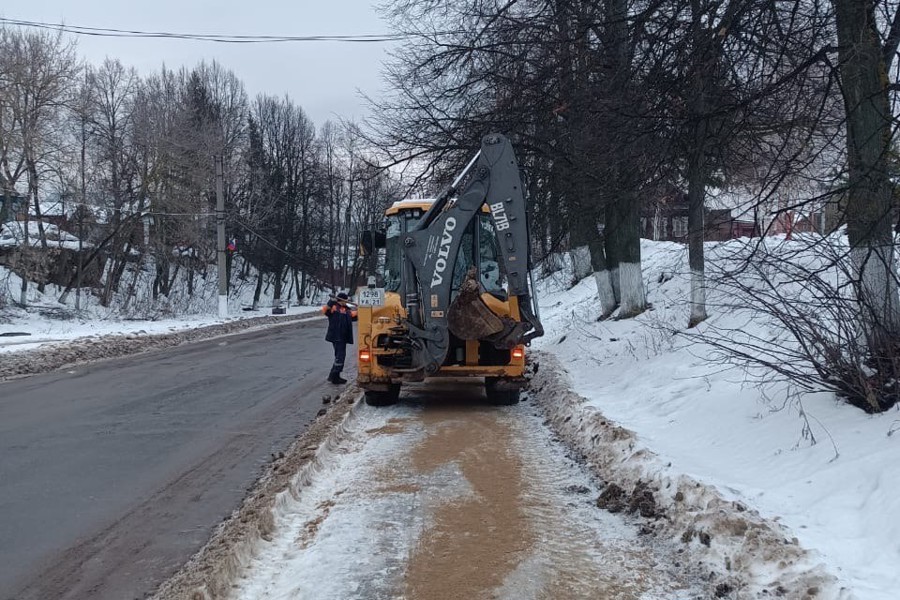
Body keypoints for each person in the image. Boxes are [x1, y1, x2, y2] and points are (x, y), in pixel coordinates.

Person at [322, 292, 357, 384]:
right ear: (340, 300)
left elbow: (355, 316)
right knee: (340, 357)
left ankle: (333, 376)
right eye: (345, 300)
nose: (347, 302)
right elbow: (325, 310)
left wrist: (363, 309)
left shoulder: (347, 310)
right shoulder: (334, 307)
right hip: (336, 336)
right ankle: (334, 377)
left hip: (343, 337)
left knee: (339, 356)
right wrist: (331, 302)